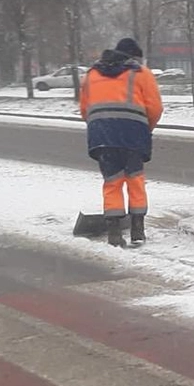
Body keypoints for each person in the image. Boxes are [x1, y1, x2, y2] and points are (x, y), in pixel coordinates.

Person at [81, 37, 163, 247]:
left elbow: (85, 109)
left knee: (112, 182)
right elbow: (154, 108)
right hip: (133, 133)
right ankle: (137, 229)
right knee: (135, 179)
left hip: (102, 135)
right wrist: (146, 128)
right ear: (135, 57)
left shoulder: (91, 74)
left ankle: (114, 232)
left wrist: (101, 125)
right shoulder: (140, 73)